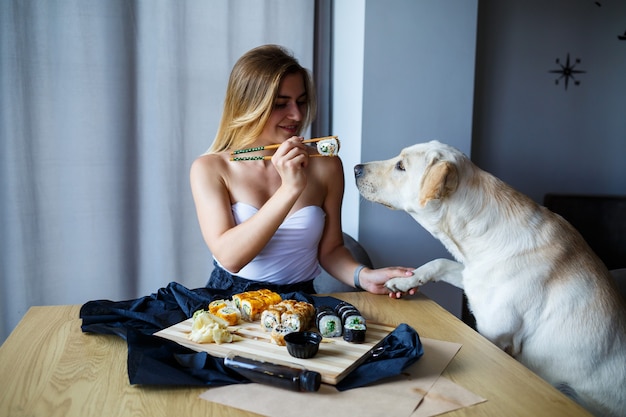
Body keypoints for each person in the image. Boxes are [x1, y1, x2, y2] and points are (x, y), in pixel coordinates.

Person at [190, 44, 416, 298]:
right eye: (280, 104)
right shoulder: (210, 168)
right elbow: (230, 258)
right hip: (229, 300)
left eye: (301, 102)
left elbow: (330, 250)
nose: (296, 115)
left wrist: (363, 276)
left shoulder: (326, 164)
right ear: (248, 106)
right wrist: (289, 189)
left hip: (301, 300)